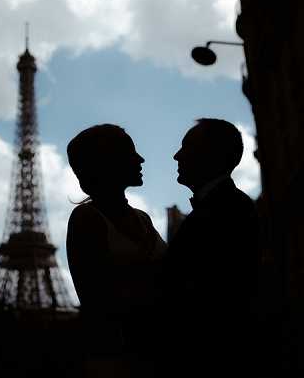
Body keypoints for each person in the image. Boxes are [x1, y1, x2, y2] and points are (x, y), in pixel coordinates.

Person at [160, 118, 259, 376]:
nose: (176, 155)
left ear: (210, 155)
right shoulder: (231, 207)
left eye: (186, 147)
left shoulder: (225, 213)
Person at [66, 124, 166, 378]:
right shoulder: (86, 219)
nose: (140, 159)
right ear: (109, 163)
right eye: (131, 152)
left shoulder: (143, 218)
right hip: (120, 359)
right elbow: (98, 299)